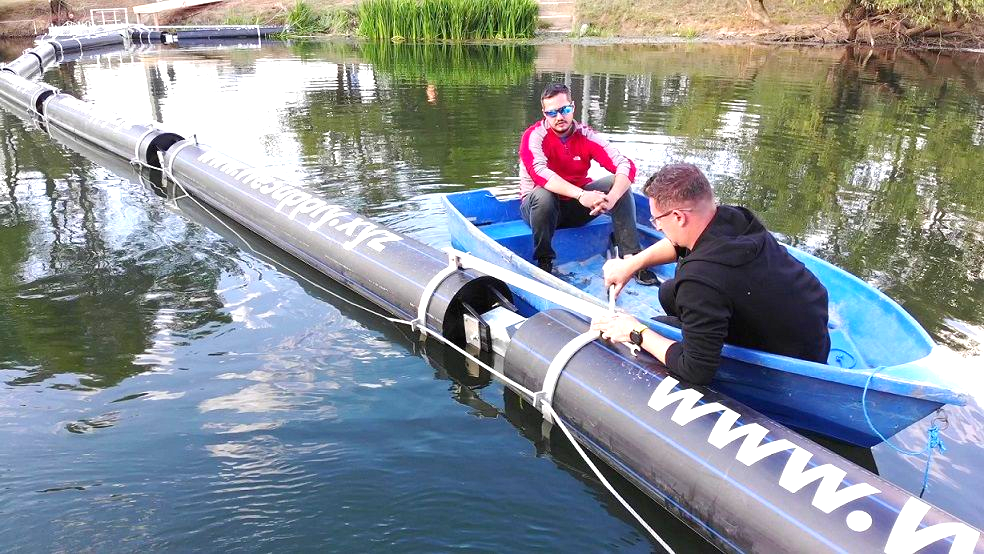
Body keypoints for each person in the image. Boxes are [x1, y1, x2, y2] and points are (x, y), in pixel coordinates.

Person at [590, 163, 831, 385]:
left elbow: (696, 370)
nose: (658, 227)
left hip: (789, 363)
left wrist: (636, 331)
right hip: (811, 334)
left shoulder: (701, 281)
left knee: (657, 328)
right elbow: (680, 244)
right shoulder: (735, 218)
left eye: (656, 221)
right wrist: (631, 264)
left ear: (678, 217)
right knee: (668, 292)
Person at [518, 83, 657, 284]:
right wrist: (582, 195)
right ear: (544, 113)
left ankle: (631, 258)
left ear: (573, 107)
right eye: (552, 112)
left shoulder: (586, 135)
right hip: (539, 210)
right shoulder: (533, 136)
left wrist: (612, 198)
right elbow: (540, 174)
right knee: (543, 195)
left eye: (564, 110)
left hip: (576, 208)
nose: (559, 117)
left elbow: (625, 164)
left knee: (618, 184)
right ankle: (544, 261)